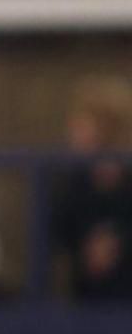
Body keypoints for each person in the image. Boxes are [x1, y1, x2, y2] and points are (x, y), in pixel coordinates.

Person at [53, 78, 132, 300]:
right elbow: (59, 231)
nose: (73, 132)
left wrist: (119, 243)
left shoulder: (127, 177)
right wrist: (86, 247)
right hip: (86, 298)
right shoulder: (72, 181)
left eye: (82, 124)